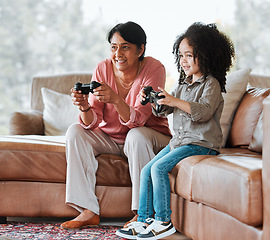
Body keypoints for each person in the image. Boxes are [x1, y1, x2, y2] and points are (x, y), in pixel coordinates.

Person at [116, 22, 235, 239]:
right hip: (179, 142)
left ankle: (163, 221)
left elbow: (204, 112)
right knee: (146, 170)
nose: (183, 61)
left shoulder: (211, 85)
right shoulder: (182, 84)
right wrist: (153, 100)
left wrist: (175, 100)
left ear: (205, 55)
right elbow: (164, 111)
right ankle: (144, 220)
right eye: (181, 56)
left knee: (159, 168)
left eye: (189, 55)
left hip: (201, 143)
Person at [60, 21, 171, 229]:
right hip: (111, 138)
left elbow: (139, 119)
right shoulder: (102, 68)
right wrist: (84, 107)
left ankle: (142, 213)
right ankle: (88, 210)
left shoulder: (154, 69)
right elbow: (92, 121)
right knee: (75, 131)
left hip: (149, 136)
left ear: (140, 50)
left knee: (136, 135)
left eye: (125, 47)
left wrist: (116, 100)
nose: (118, 53)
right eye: (113, 47)